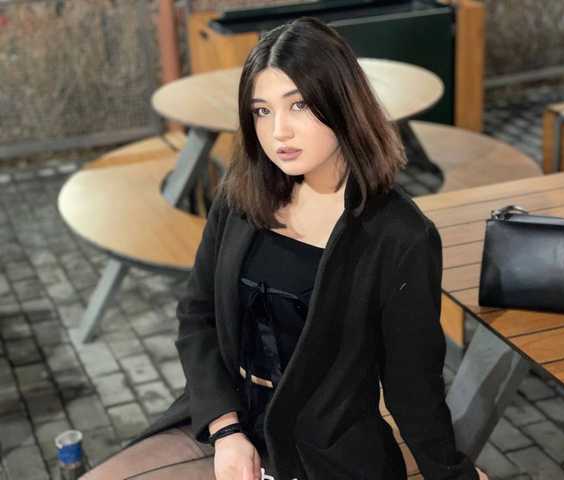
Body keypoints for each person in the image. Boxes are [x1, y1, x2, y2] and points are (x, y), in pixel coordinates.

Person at [82, 16, 489, 480]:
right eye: (262, 111)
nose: (279, 132)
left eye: (298, 105)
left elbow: (412, 385)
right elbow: (197, 315)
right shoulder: (241, 197)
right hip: (224, 418)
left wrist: (453, 475)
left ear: (342, 103)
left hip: (323, 452)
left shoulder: (399, 234)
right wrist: (226, 430)